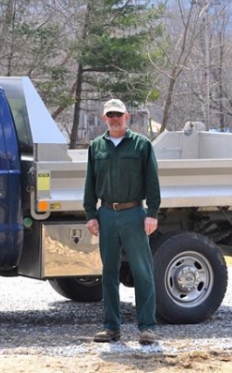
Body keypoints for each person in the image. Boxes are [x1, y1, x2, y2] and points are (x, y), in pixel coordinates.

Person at [83, 98, 161, 345]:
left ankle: (147, 327)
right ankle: (111, 327)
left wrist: (153, 213)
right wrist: (90, 214)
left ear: (126, 116)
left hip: (133, 214)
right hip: (106, 214)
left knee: (142, 271)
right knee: (108, 273)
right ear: (104, 118)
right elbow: (90, 183)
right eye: (110, 115)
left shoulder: (141, 145)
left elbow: (152, 181)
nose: (115, 119)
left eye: (119, 114)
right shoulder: (96, 147)